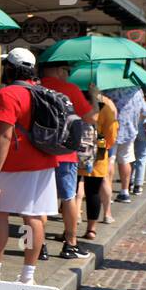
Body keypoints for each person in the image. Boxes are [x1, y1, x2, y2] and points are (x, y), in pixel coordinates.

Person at [0, 48, 57, 286]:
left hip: (15, 163)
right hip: (45, 161)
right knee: (33, 218)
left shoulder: (8, 94)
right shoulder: (45, 92)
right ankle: (27, 276)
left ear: (10, 69)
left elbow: (4, 136)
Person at [39, 60, 97, 261]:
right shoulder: (70, 89)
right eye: (67, 70)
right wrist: (95, 96)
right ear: (58, 70)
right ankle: (70, 244)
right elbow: (91, 118)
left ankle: (39, 246)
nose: (69, 74)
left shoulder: (35, 87)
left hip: (38, 152)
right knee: (68, 197)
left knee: (39, 200)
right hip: (65, 153)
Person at [80, 85, 118, 242]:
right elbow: (112, 135)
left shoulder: (75, 107)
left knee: (73, 193)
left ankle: (70, 229)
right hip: (98, 155)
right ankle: (91, 229)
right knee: (93, 192)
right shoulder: (105, 110)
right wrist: (103, 146)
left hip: (76, 155)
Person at [105, 84, 145, 203]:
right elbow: (144, 112)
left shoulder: (108, 89)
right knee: (125, 160)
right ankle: (124, 192)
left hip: (111, 129)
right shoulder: (137, 90)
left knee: (110, 160)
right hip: (129, 130)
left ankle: (108, 193)